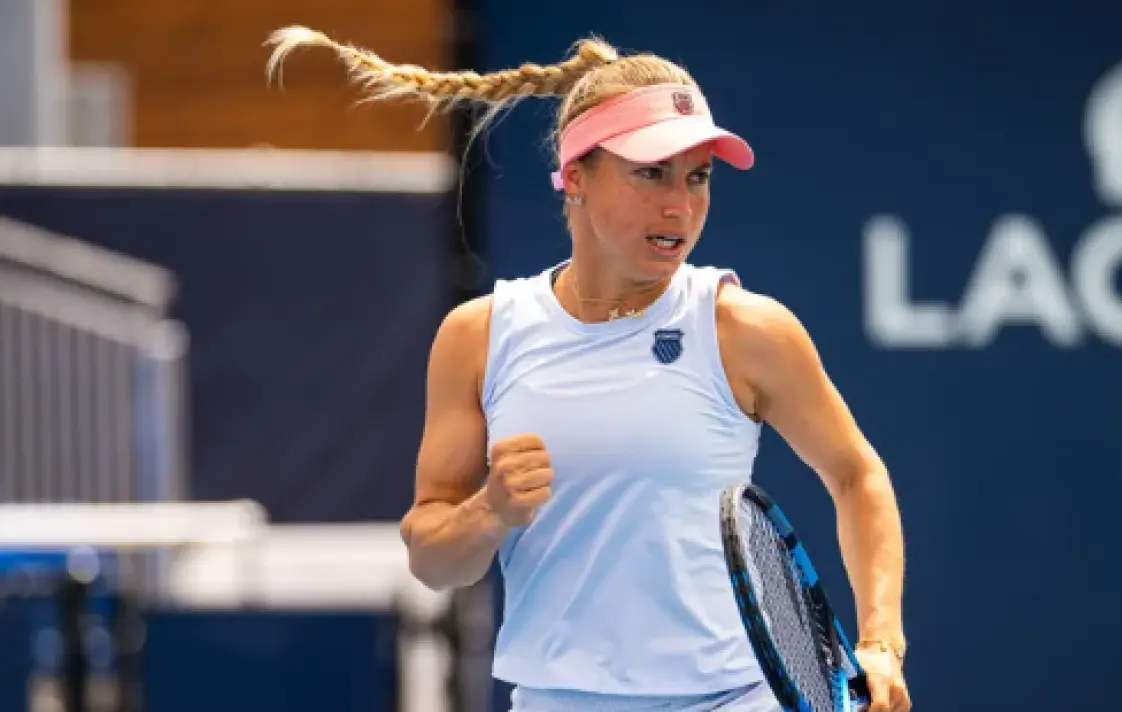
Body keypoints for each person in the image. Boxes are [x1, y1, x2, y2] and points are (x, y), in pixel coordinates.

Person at [267, 27, 911, 712]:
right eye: (651, 172)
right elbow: (432, 561)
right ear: (575, 176)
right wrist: (490, 510)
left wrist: (881, 641)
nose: (680, 205)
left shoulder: (747, 330)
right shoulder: (479, 336)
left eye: (698, 176)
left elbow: (856, 475)